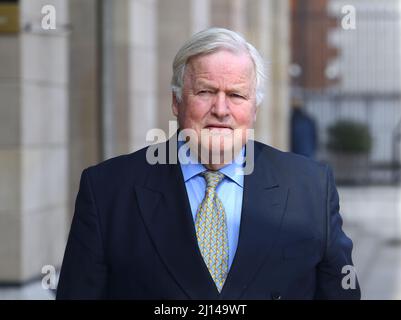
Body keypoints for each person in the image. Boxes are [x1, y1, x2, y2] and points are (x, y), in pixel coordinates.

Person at [56, 28, 360, 299]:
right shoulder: (108, 189)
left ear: (254, 108)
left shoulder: (310, 187)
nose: (221, 109)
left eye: (236, 95)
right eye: (205, 92)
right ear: (176, 102)